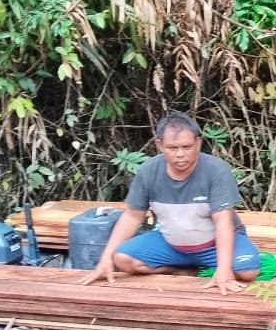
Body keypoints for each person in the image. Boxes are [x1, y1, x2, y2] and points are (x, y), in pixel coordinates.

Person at [79, 113, 261, 295]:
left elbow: (223, 223)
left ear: (198, 143)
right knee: (123, 259)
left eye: (187, 147)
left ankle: (212, 266)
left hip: (212, 245)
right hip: (172, 244)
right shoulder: (149, 171)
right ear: (159, 145)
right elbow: (132, 216)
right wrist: (106, 259)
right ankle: (178, 269)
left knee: (247, 271)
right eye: (172, 148)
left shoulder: (216, 170)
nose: (180, 154)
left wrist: (224, 270)